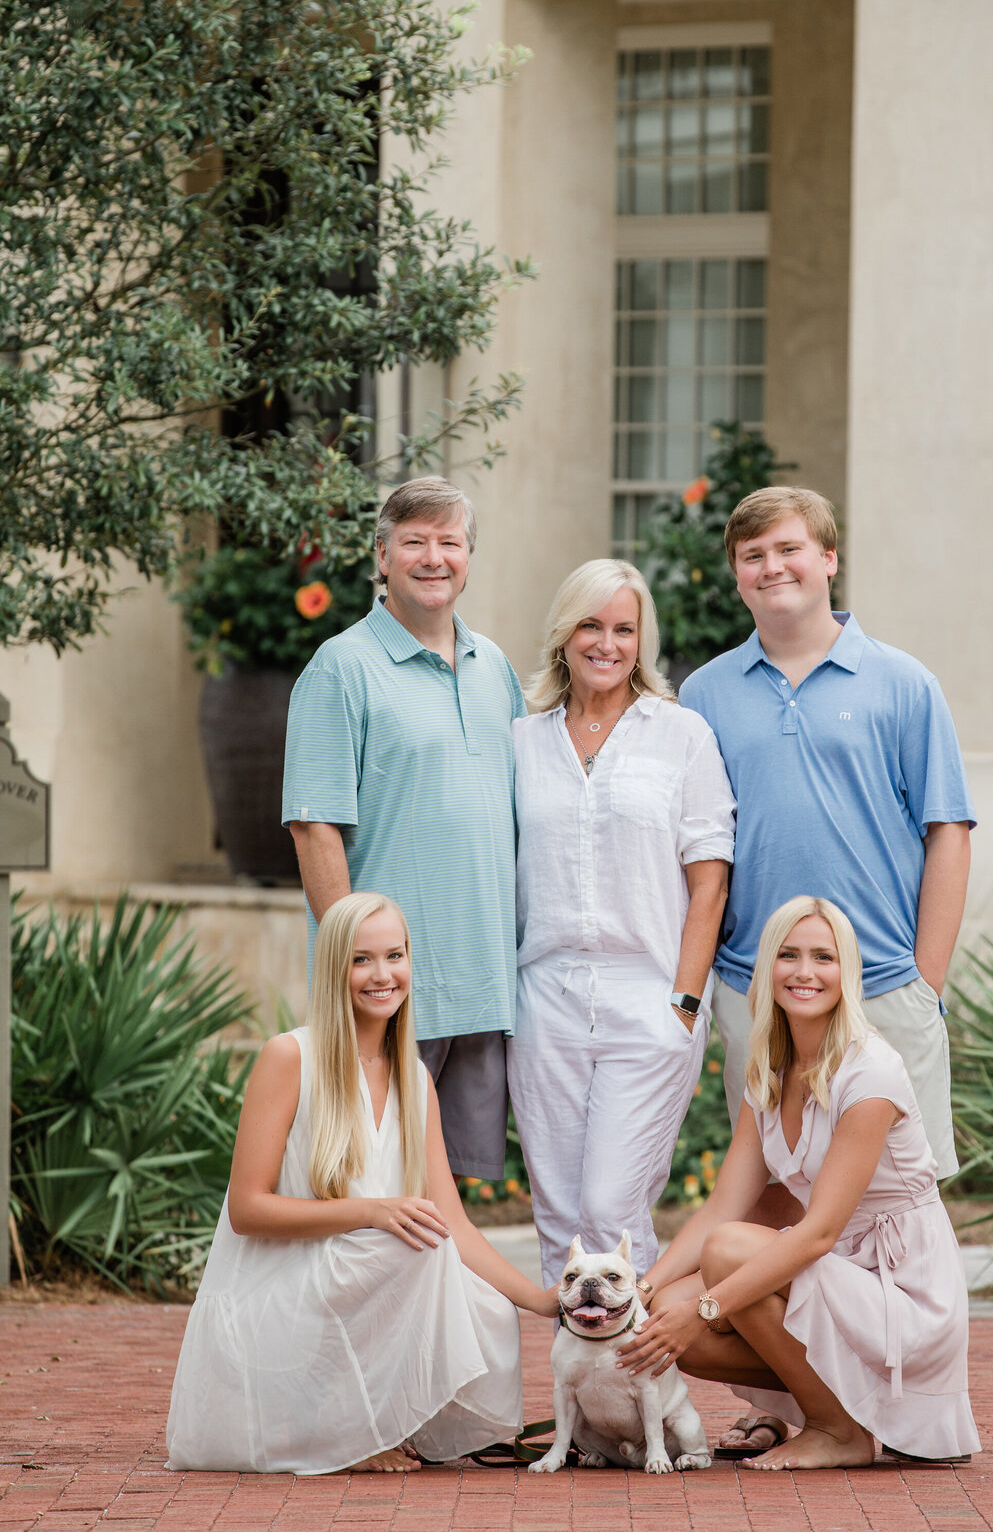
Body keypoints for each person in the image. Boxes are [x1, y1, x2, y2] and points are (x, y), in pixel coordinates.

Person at [166, 891, 558, 1475]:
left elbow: (452, 1223)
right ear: (333, 969)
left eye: (394, 955)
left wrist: (536, 1300)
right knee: (406, 1249)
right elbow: (248, 1210)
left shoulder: (414, 1079)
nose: (382, 975)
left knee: (483, 1302)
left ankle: (391, 1419)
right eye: (361, 960)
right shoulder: (289, 1057)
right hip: (279, 1290)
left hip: (360, 1272)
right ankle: (345, 1429)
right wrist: (370, 1211)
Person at [618, 895, 980, 1472]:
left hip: (903, 1290)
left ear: (848, 972)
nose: (805, 972)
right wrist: (641, 1291)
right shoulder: (771, 1070)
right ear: (768, 968)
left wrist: (709, 1306)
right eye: (788, 955)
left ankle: (839, 1431)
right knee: (670, 1311)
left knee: (727, 1257)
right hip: (841, 1274)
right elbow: (720, 1207)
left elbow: (817, 1233)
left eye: (823, 957)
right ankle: (855, 1404)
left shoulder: (871, 1074)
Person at [679, 486, 975, 1188]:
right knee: (776, 1196)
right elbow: (693, 852)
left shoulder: (905, 684)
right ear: (737, 574)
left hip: (883, 983)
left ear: (829, 559)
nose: (773, 567)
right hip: (757, 992)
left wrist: (925, 980)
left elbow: (949, 832)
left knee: (901, 1194)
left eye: (790, 549)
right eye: (754, 556)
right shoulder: (703, 696)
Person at [283, 475, 524, 1182]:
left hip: (482, 983)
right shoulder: (340, 668)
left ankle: (446, 1302)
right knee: (372, 1185)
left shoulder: (495, 668)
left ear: (469, 558)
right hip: (387, 990)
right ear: (381, 556)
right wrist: (355, 966)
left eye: (450, 542)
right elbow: (314, 827)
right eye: (413, 541)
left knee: (454, 1190)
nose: (433, 557)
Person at [506, 558, 735, 1282]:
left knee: (610, 1209)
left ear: (643, 641)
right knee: (558, 1220)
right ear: (564, 635)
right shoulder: (519, 741)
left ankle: (639, 1388)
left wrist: (684, 1004)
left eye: (624, 629)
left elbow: (711, 882)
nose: (607, 643)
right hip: (546, 1002)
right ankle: (581, 1394)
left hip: (651, 1003)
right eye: (592, 625)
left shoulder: (682, 735)